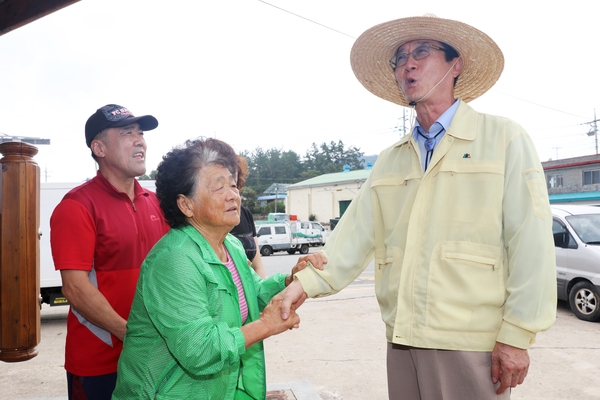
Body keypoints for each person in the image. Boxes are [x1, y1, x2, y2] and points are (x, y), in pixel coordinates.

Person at [277, 15, 557, 400]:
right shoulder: (391, 159)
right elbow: (352, 237)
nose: (408, 64)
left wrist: (517, 335)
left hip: (471, 344)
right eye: (401, 58)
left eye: (422, 52)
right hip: (403, 338)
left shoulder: (504, 139)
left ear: (454, 65)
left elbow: (531, 243)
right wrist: (300, 287)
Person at [112, 138, 319, 399]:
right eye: (218, 188)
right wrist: (266, 325)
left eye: (233, 184)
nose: (233, 195)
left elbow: (252, 295)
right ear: (186, 205)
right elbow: (200, 350)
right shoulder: (174, 260)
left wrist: (291, 279)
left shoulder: (229, 245)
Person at [50, 104, 170, 400]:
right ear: (99, 148)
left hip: (156, 356)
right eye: (127, 133)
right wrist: (130, 334)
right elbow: (75, 288)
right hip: (100, 361)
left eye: (140, 133)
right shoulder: (77, 206)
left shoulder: (157, 203)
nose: (140, 140)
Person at [230, 205, 266, 278]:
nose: (232, 195)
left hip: (250, 286)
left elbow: (257, 267)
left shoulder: (245, 214)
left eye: (236, 192)